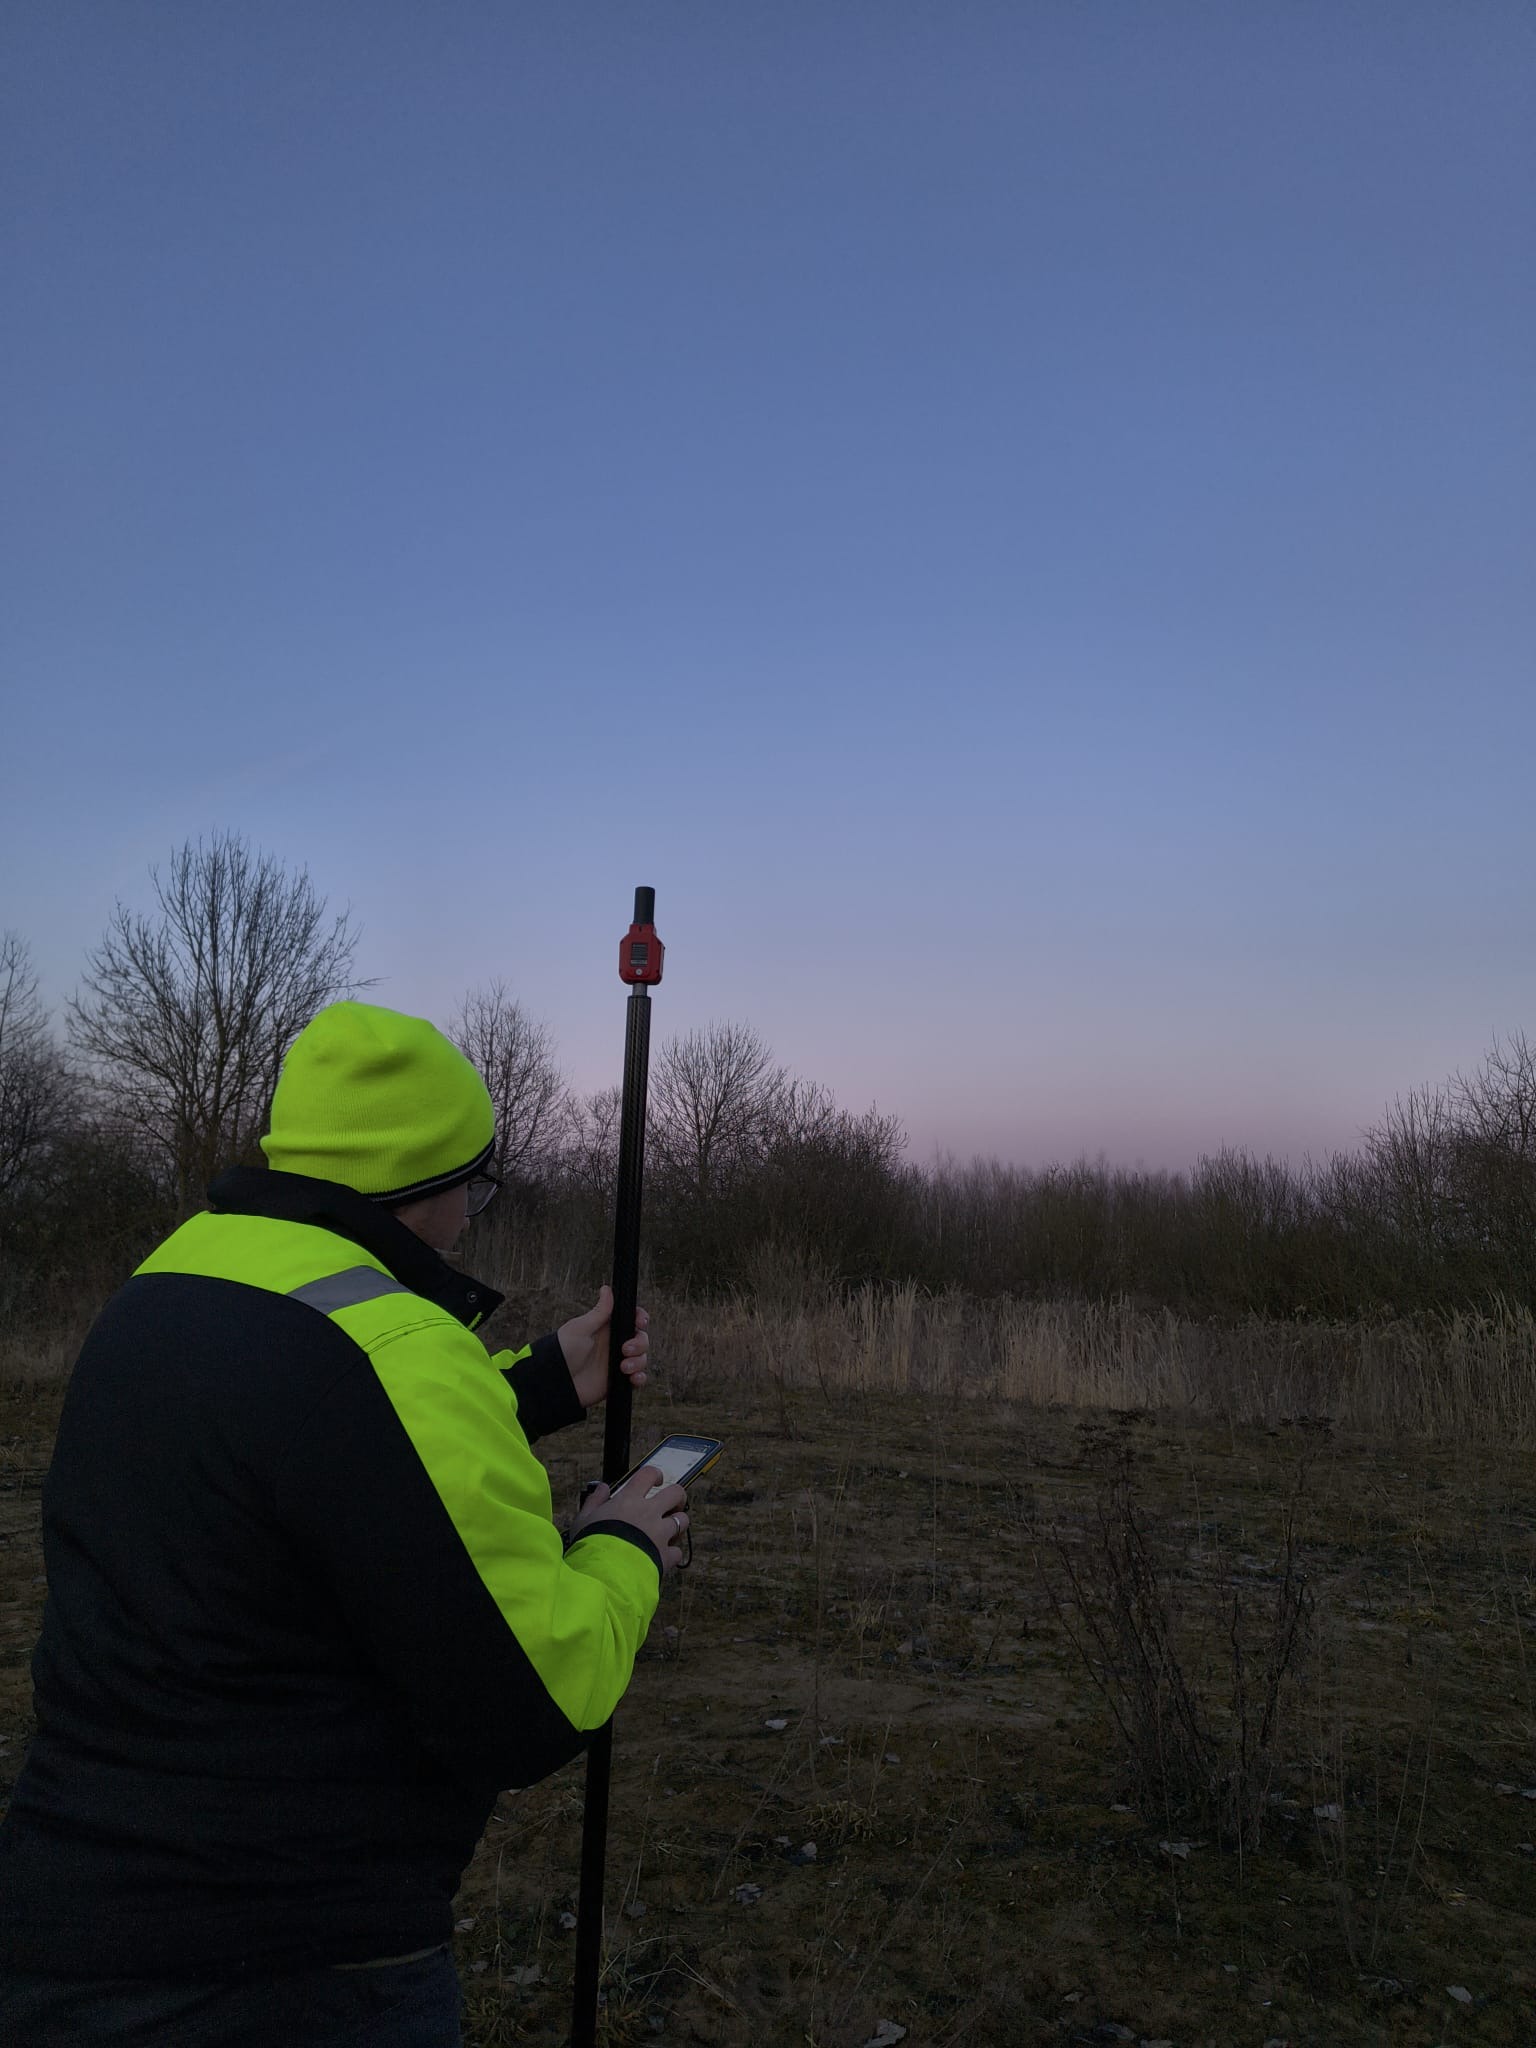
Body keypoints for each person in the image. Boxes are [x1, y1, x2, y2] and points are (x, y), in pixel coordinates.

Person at [0, 1000, 686, 2047]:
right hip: (293, 1965)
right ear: (423, 1187)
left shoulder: (172, 1277)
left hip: (65, 1920)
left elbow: (314, 1452)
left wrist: (541, 1382)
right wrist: (622, 1545)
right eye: (472, 1185)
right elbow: (539, 1699)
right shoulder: (399, 1345)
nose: (470, 1215)